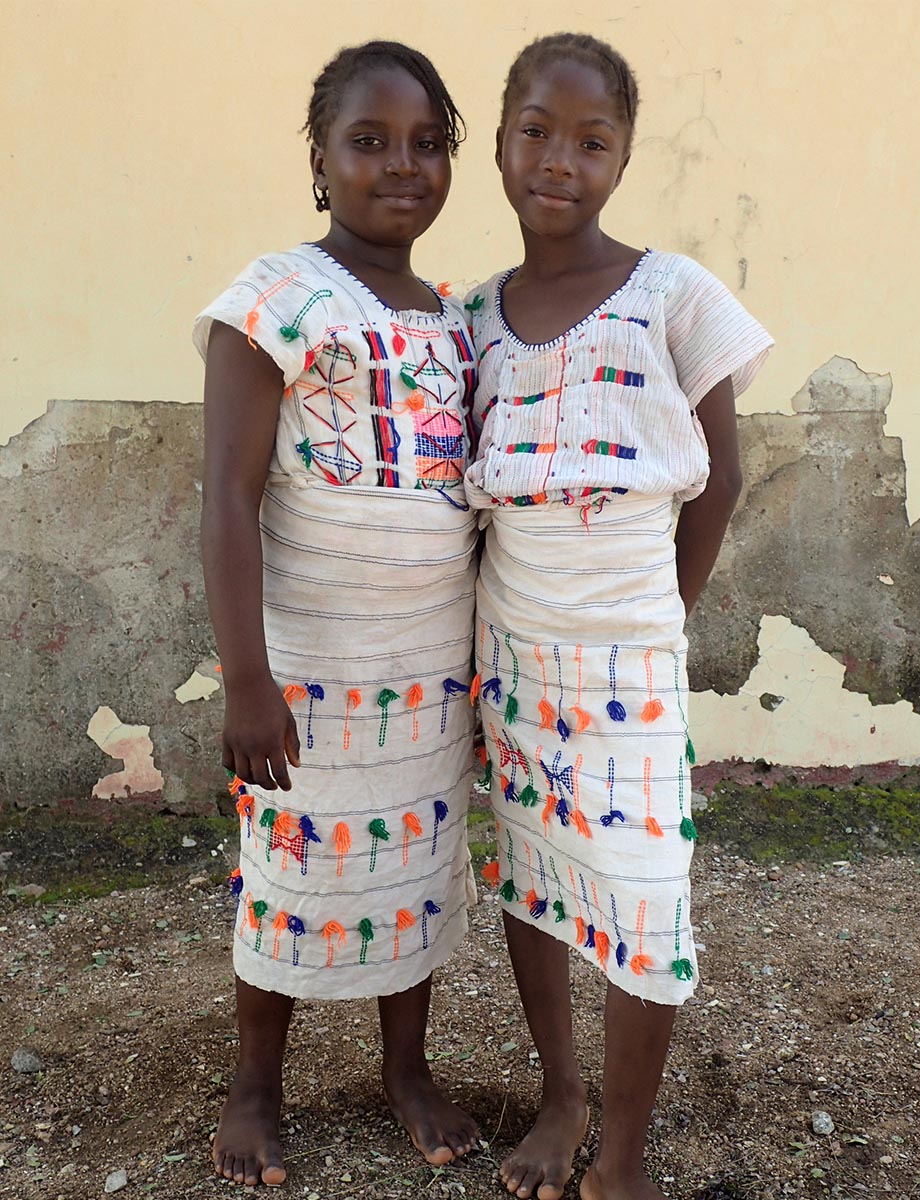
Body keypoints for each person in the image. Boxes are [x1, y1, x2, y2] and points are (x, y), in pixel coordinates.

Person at [465, 33, 773, 1200]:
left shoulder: (672, 294)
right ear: (500, 141)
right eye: (536, 130)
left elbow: (722, 475)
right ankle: (559, 1094)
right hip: (514, 650)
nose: (559, 159)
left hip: (630, 648)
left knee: (646, 890)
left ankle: (624, 1156)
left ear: (623, 156)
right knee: (534, 873)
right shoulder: (472, 318)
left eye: (591, 141)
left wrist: (664, 618)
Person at [194, 40, 480, 1189]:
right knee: (295, 869)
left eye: (425, 144)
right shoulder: (275, 297)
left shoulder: (456, 321)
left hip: (426, 671)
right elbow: (225, 492)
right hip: (308, 670)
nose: (398, 166)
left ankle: (402, 1068)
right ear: (319, 162)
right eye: (368, 143)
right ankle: (257, 1082)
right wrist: (246, 679)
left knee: (411, 870)